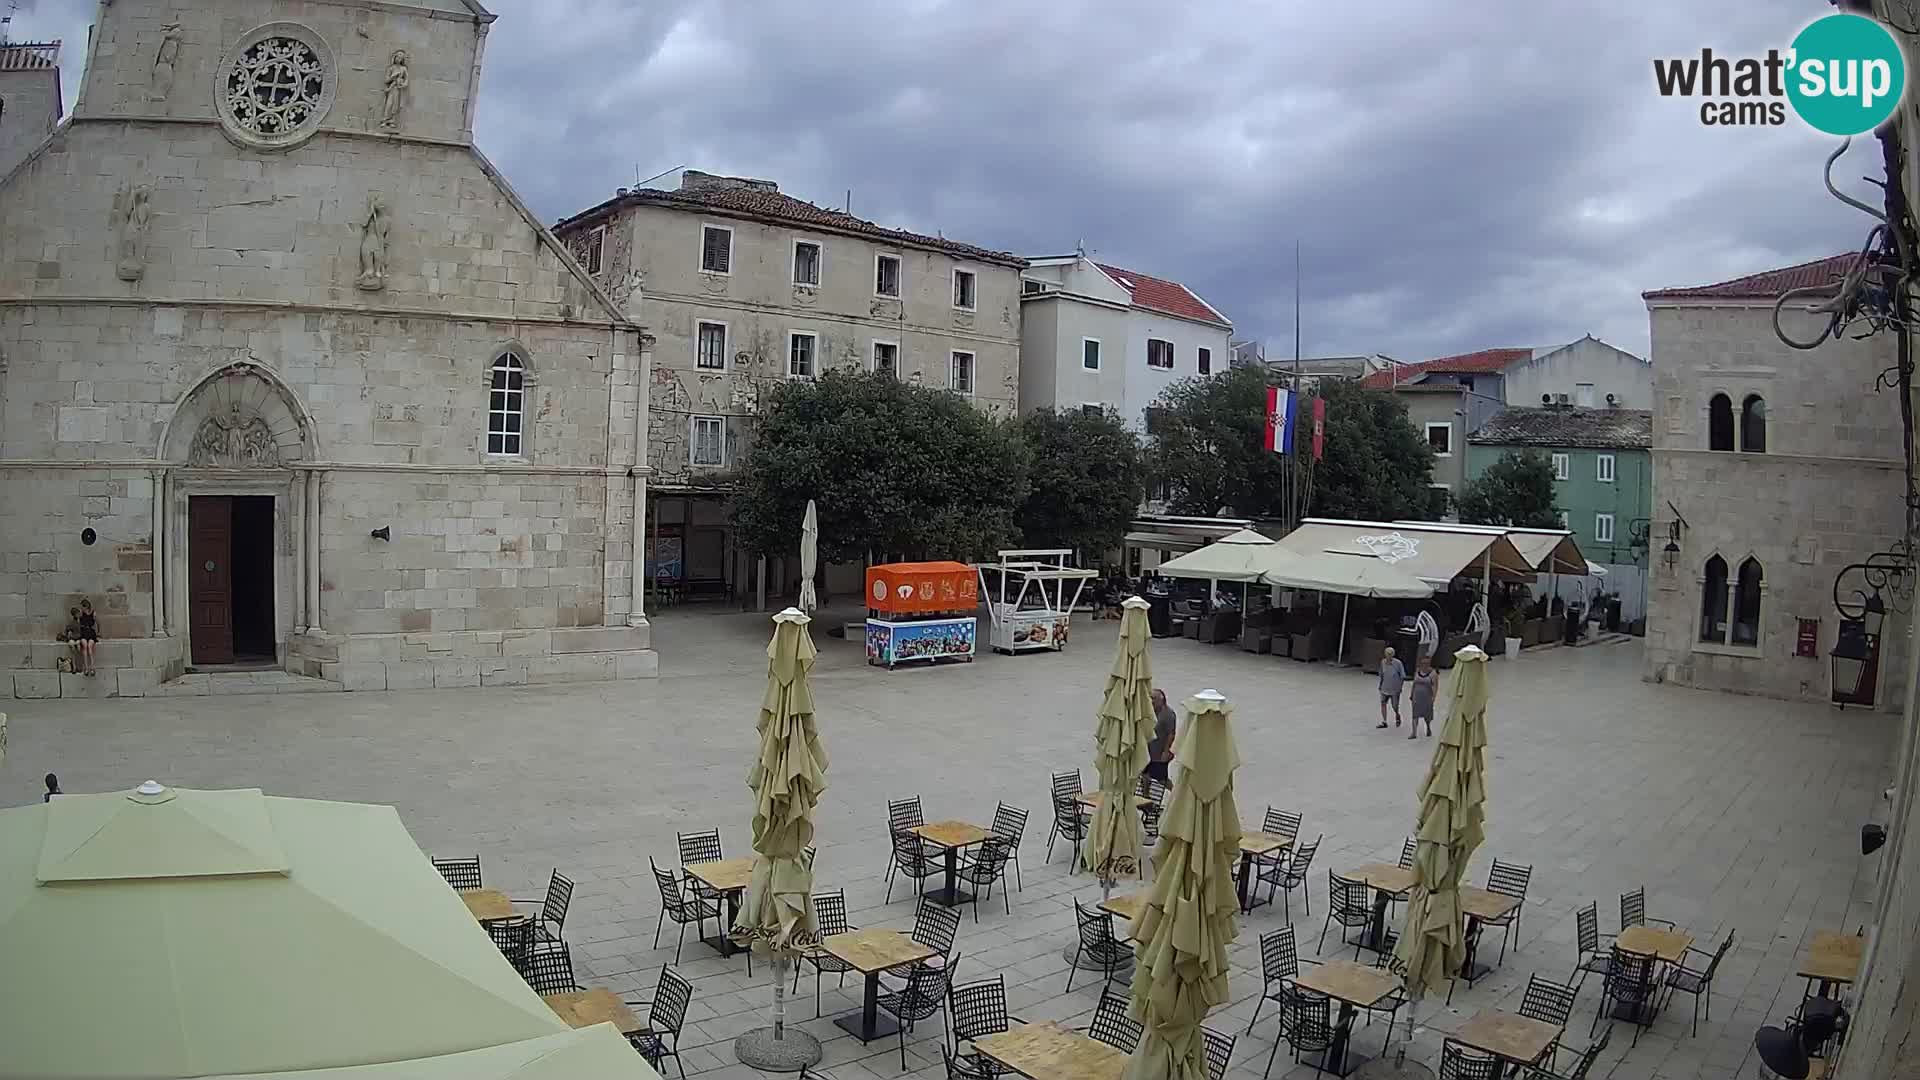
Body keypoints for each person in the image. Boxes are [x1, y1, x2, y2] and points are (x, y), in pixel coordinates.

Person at [1145, 688, 1177, 786]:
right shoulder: (1149, 712)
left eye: (1154, 698)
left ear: (1161, 700)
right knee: (1145, 776)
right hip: (1148, 751)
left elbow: (1171, 734)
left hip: (1160, 753)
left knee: (1161, 779)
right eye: (1150, 698)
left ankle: (1175, 794)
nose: (1151, 701)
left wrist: (1166, 751)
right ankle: (1145, 797)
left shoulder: (1168, 714)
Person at [1408, 654, 1438, 739]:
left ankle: (1428, 727)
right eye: (1423, 663)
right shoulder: (1417, 671)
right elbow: (1414, 683)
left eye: (1426, 663)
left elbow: (1435, 686)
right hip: (1417, 697)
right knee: (1415, 714)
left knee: (1427, 715)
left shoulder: (1433, 673)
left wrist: (1434, 697)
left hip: (1427, 697)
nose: (1424, 665)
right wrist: (1411, 694)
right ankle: (1414, 733)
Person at [1376, 646, 1406, 729]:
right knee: (1383, 704)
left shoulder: (1398, 663)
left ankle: (1397, 715)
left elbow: (1402, 676)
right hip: (1384, 688)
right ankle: (1384, 721)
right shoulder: (1383, 662)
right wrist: (1380, 685)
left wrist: (1400, 687)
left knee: (1394, 706)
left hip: (1394, 689)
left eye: (1390, 654)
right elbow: (1382, 674)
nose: (1389, 655)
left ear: (1393, 654)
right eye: (1387, 654)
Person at [76, 598, 99, 676]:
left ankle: (92, 668)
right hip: (83, 633)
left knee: (90, 647)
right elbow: (78, 624)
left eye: (82, 606)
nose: (81, 608)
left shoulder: (93, 613)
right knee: (85, 646)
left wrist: (98, 632)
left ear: (85, 606)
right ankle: (86, 668)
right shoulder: (81, 613)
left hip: (91, 632)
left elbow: (97, 623)